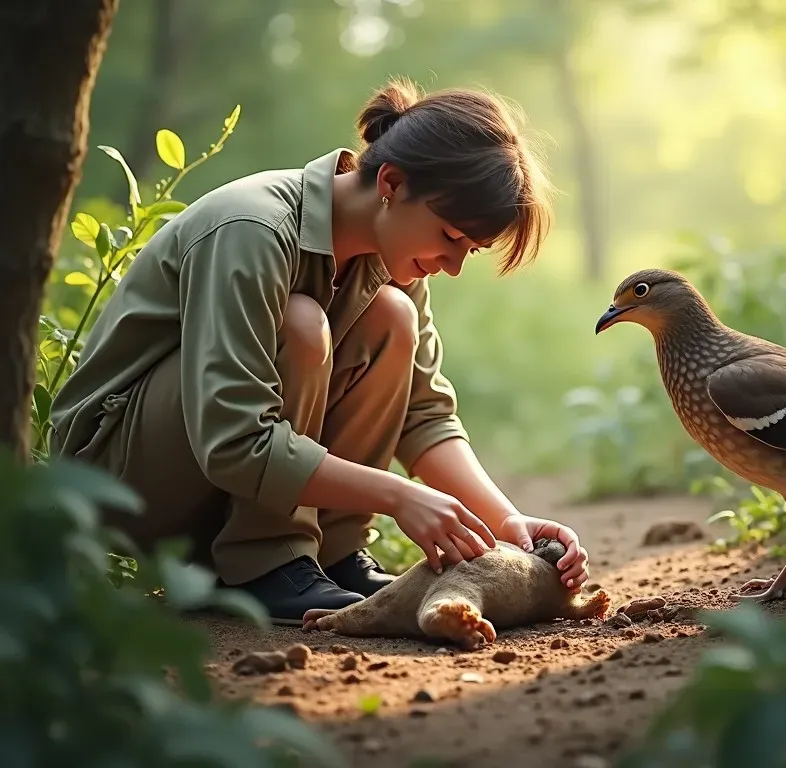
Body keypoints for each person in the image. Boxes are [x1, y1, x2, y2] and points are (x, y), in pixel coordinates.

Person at [49, 76, 590, 625]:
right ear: (392, 183)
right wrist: (400, 496)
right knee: (302, 323)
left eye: (470, 251)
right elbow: (234, 439)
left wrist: (507, 521)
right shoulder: (253, 229)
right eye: (451, 237)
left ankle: (331, 553)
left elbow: (424, 417)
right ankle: (267, 559)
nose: (453, 265)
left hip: (213, 481)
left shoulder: (394, 255)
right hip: (118, 479)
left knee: (392, 317)